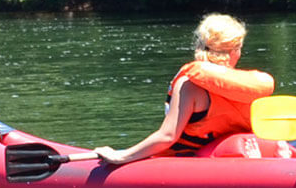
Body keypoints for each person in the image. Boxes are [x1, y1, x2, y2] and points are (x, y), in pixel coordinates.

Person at [94, 14, 275, 165]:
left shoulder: (190, 85)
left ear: (200, 45)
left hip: (187, 163)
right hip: (236, 160)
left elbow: (168, 136)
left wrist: (122, 156)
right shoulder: (248, 87)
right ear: (235, 51)